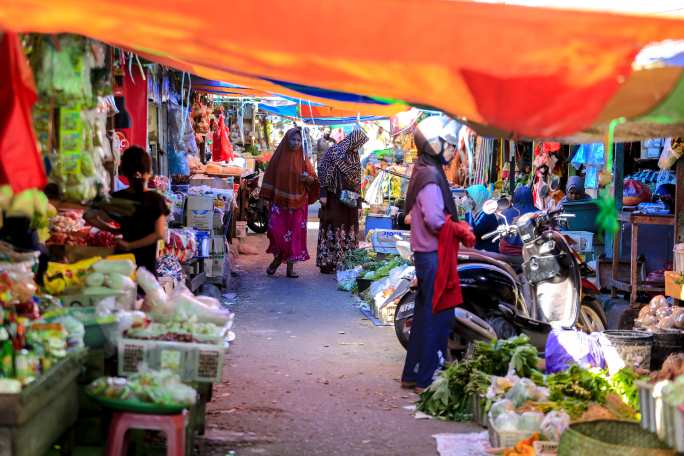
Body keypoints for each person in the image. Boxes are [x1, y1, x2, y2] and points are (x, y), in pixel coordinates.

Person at [402, 115, 469, 393]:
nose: (452, 151)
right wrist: (457, 228)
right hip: (432, 254)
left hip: (425, 254)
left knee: (424, 314)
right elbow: (434, 219)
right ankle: (426, 379)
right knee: (437, 316)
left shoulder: (424, 169)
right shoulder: (430, 176)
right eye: (448, 145)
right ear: (433, 145)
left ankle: (413, 373)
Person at [260, 128, 319, 278]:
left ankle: (289, 268)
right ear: (287, 140)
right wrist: (264, 200)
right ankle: (278, 259)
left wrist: (307, 178)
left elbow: (314, 179)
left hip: (298, 204)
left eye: (299, 140)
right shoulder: (278, 158)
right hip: (279, 204)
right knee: (277, 233)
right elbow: (269, 177)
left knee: (294, 236)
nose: (296, 143)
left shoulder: (304, 159)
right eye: (293, 139)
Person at [111, 146, 170, 274]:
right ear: (149, 171)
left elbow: (89, 216)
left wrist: (113, 230)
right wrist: (131, 245)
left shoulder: (116, 197)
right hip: (145, 269)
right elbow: (159, 234)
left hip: (120, 265)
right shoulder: (156, 199)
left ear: (124, 172)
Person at [316, 129, 368, 274]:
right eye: (358, 143)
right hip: (333, 198)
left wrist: (358, 202)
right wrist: (323, 194)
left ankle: (346, 262)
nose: (358, 146)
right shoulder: (334, 152)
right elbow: (323, 172)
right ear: (352, 140)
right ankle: (328, 262)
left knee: (348, 229)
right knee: (332, 227)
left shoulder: (354, 155)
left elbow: (357, 180)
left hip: (349, 201)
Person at [498, 186, 536, 256]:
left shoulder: (505, 213)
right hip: (530, 251)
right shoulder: (538, 212)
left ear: (515, 197)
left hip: (508, 252)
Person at [465, 184, 499, 252]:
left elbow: (475, 232)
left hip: (488, 253)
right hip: (477, 251)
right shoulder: (470, 212)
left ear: (479, 198)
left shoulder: (488, 214)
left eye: (471, 198)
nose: (468, 200)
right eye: (468, 197)